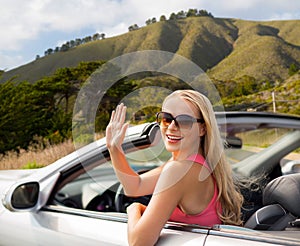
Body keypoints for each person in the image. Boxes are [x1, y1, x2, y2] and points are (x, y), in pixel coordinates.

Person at [106, 89, 243, 246]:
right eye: (166, 119)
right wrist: (114, 149)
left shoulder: (180, 170)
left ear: (202, 129)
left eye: (184, 121)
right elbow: (134, 187)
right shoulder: (190, 164)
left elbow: (139, 242)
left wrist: (134, 209)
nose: (171, 127)